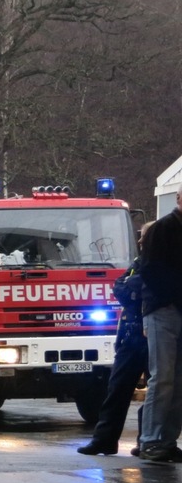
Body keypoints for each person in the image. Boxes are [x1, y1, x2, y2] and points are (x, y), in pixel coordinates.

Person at [78, 224, 151, 456]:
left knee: (157, 392)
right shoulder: (139, 264)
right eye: (139, 238)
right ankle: (104, 441)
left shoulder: (163, 263)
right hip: (130, 337)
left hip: (154, 335)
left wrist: (134, 289)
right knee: (116, 390)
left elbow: (144, 288)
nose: (140, 243)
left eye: (144, 238)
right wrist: (134, 289)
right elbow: (120, 287)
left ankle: (146, 441)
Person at [138, 193, 182, 463]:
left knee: (179, 380)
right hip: (163, 310)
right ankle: (150, 441)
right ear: (179, 198)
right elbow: (150, 271)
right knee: (162, 377)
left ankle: (167, 440)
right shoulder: (162, 229)